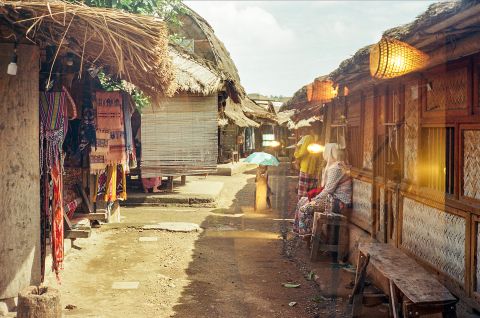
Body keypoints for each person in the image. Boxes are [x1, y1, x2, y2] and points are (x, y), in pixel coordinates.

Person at [293, 143, 352, 236]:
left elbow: (328, 190)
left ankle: (308, 236)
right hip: (334, 200)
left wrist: (314, 200)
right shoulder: (337, 166)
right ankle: (305, 232)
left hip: (338, 203)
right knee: (301, 201)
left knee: (305, 208)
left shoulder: (336, 168)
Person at [293, 124, 322, 202]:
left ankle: (302, 206)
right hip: (312, 167)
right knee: (310, 189)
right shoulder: (315, 138)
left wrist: (296, 151)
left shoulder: (308, 137)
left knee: (303, 191)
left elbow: (302, 152)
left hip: (306, 167)